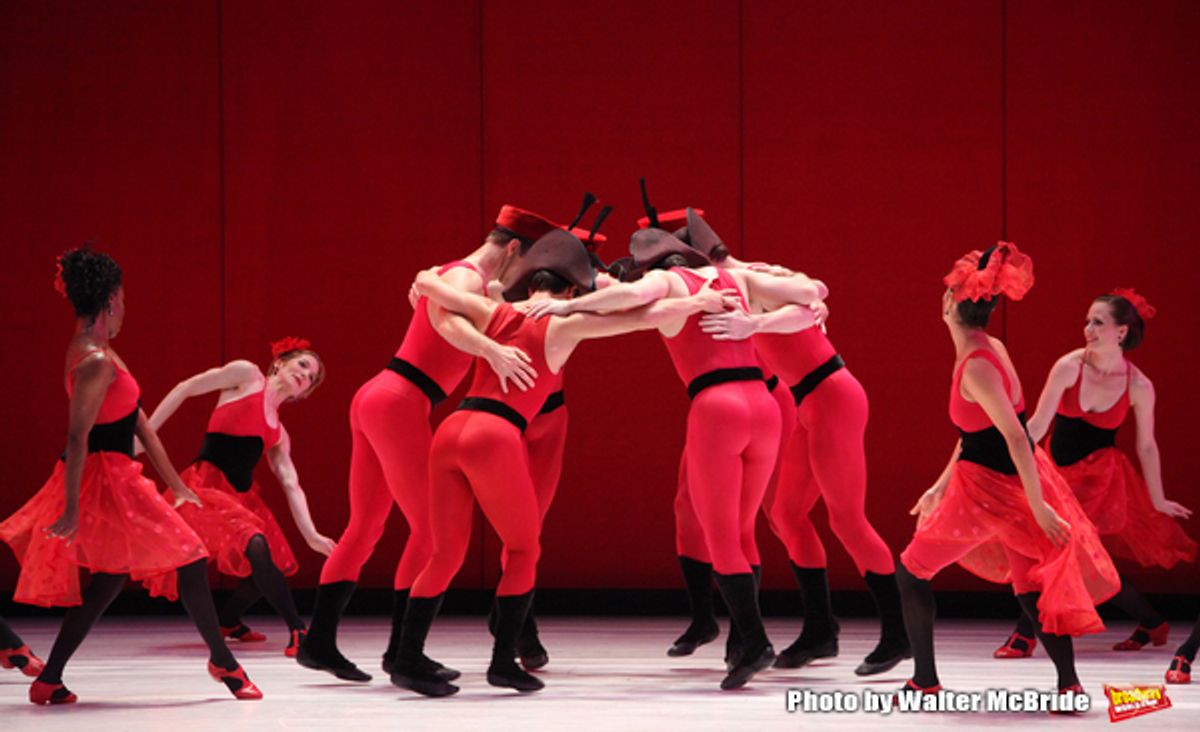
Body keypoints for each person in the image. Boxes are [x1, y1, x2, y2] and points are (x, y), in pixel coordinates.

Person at [392, 228, 736, 696]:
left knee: (445, 554)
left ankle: (407, 657)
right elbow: (641, 317)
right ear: (571, 290)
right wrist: (695, 304)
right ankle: (502, 662)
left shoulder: (495, 309)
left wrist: (426, 284)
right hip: (495, 435)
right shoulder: (562, 324)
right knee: (523, 550)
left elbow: (428, 283)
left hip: (451, 432)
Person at [521, 219, 825, 689]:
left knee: (719, 533)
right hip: (765, 408)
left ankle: (756, 640)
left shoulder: (667, 281)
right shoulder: (736, 277)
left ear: (655, 263)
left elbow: (621, 299)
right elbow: (813, 293)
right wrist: (758, 322)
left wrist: (568, 306)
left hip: (718, 407)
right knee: (744, 531)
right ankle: (741, 644)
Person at [297, 205, 558, 682]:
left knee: (365, 528)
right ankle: (402, 654)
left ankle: (319, 641)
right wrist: (492, 349)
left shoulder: (451, 275)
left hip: (384, 396)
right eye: (525, 264)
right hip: (400, 401)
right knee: (431, 533)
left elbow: (439, 306)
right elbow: (442, 320)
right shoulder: (463, 279)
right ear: (514, 249)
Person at [0, 247, 260, 704]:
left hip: (120, 475)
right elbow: (78, 436)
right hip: (105, 478)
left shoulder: (104, 353)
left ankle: (49, 679)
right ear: (109, 300)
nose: (125, 308)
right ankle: (224, 663)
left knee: (111, 579)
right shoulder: (94, 359)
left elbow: (139, 424)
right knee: (191, 558)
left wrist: (178, 487)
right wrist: (74, 508)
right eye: (122, 299)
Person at [666, 206, 909, 676]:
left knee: (847, 519)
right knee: (784, 514)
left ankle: (899, 633)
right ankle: (822, 629)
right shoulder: (725, 289)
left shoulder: (750, 276)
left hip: (833, 393)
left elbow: (811, 292)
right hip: (805, 403)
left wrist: (760, 323)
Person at [898, 242, 1119, 699]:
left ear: (947, 305)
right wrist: (939, 486)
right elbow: (978, 434)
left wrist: (1038, 506)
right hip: (1000, 482)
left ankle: (924, 679)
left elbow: (1016, 437)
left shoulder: (978, 365)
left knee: (911, 572)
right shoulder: (987, 348)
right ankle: (1069, 685)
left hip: (991, 490)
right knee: (1027, 588)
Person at [994, 289, 1195, 660]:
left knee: (1066, 550)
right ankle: (1152, 622)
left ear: (1121, 332)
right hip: (1055, 472)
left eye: (1097, 322)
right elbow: (1037, 424)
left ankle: (1027, 634)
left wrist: (1157, 498)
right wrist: (1007, 461)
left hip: (1099, 481)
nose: (1087, 328)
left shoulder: (1139, 385)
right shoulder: (1070, 365)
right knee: (1074, 556)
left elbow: (1147, 446)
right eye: (1087, 320)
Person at [139, 338, 335, 657]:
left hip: (241, 498)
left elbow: (291, 483)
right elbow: (185, 387)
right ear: (280, 363)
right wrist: (144, 436)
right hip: (205, 489)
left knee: (275, 564)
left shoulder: (279, 433)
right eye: (302, 365)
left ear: (305, 393)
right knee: (257, 547)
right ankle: (299, 629)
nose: (305, 375)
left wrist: (310, 534)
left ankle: (228, 621)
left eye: (311, 377)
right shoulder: (246, 376)